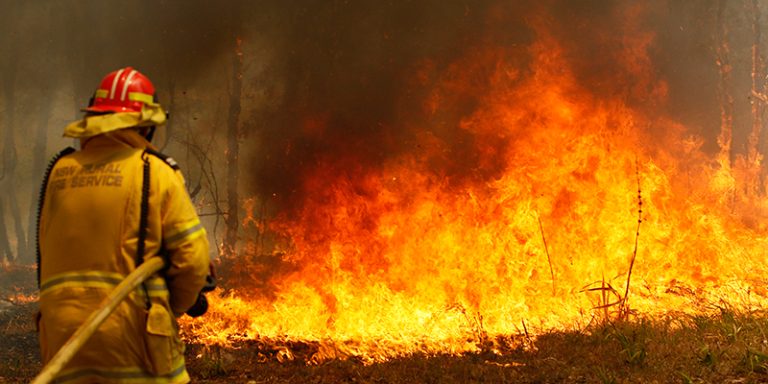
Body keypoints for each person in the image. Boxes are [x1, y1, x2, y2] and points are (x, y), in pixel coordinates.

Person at [36, 67, 211, 383]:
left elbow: (47, 255)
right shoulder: (154, 172)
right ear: (145, 126)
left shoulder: (59, 172)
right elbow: (192, 262)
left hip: (62, 339)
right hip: (132, 338)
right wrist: (175, 306)